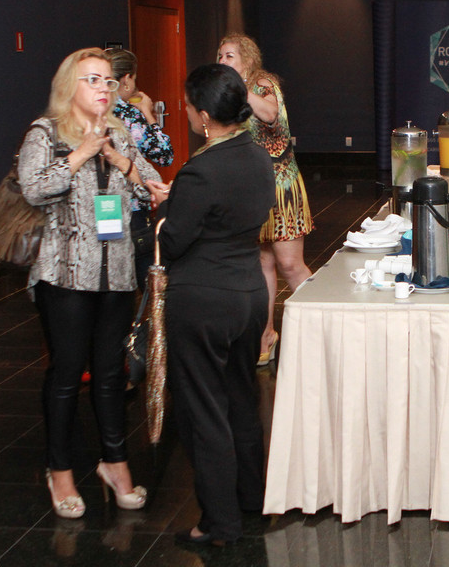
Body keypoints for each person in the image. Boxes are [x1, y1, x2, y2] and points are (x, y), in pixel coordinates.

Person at [18, 47, 168, 519]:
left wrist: (118, 159)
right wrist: (81, 153)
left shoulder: (120, 132)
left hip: (118, 273)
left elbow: (152, 182)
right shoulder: (45, 133)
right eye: (93, 80)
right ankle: (59, 470)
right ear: (70, 87)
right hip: (65, 275)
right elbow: (33, 187)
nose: (103, 89)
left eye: (107, 81)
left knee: (110, 374)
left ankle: (115, 463)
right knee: (66, 374)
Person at [160, 63, 275, 547]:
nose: (185, 112)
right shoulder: (258, 157)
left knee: (204, 412)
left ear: (205, 116)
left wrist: (166, 215)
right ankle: (252, 498)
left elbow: (177, 241)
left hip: (204, 301)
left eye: (188, 107)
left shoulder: (200, 169)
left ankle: (217, 523)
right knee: (241, 401)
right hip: (249, 295)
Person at [217, 33, 314, 366]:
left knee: (290, 264)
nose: (222, 62)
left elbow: (270, 115)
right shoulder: (230, 94)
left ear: (246, 59)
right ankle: (266, 335)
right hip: (251, 187)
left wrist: (239, 87)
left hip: (281, 186)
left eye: (229, 56)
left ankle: (322, 325)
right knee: (262, 263)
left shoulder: (263, 84)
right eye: (219, 56)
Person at [104, 47, 175, 284]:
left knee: (109, 272)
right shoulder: (131, 115)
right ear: (125, 80)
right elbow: (165, 155)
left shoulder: (93, 112)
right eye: (134, 77)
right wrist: (148, 113)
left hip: (103, 208)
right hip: (132, 208)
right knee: (146, 278)